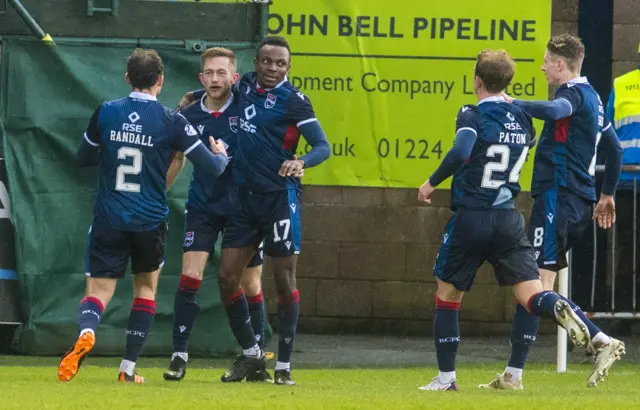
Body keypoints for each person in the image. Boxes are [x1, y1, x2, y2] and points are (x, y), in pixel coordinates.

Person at [417, 49, 611, 391]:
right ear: (508, 82)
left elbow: (462, 151)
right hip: (508, 219)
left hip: (473, 216)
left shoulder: (471, 113)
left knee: (448, 295)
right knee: (533, 293)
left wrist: (430, 183)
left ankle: (446, 379)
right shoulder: (524, 120)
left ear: (477, 81)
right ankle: (574, 324)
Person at [57, 48, 229, 384]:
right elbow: (212, 168)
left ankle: (89, 330)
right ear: (161, 81)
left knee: (99, 289)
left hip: (109, 216)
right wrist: (220, 155)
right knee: (146, 290)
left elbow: (83, 157)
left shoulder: (107, 112)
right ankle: (127, 369)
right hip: (149, 221)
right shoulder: (172, 121)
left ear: (127, 78)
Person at [480, 34, 625, 390]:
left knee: (534, 286)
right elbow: (616, 150)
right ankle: (514, 375)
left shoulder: (571, 96)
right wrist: (607, 195)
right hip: (579, 201)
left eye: (546, 61)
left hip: (557, 198)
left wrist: (515, 103)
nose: (543, 67)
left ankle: (599, 340)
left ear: (561, 65)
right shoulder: (594, 98)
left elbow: (557, 111)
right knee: (536, 285)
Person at [184, 36, 331, 385]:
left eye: (280, 63)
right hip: (244, 201)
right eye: (266, 61)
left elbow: (323, 146)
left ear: (289, 67)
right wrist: (191, 98)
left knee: (283, 280)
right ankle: (252, 354)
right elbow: (215, 89)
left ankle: (283, 366)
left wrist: (302, 162)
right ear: (257, 62)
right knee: (225, 278)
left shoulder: (295, 101)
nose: (272, 68)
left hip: (280, 198)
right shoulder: (246, 84)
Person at [162, 47, 271, 383]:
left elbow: (268, 87)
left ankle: (257, 358)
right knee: (190, 275)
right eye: (209, 73)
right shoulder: (188, 115)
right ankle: (179, 354)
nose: (214, 78)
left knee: (250, 283)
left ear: (234, 77)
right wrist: (158, 193)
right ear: (200, 77)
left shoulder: (246, 106)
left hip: (244, 210)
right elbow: (177, 158)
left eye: (221, 72)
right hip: (203, 207)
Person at [605, 43, 640, 316]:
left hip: (626, 180)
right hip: (627, 182)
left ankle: (625, 313)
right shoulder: (622, 83)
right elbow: (605, 130)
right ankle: (625, 312)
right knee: (627, 248)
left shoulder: (622, 84)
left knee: (627, 248)